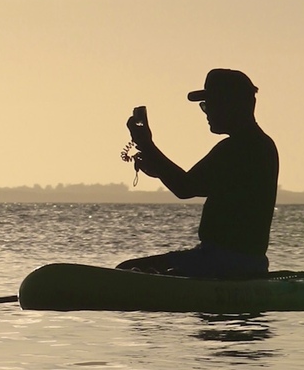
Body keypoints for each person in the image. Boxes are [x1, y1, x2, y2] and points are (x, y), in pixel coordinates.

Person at [117, 68, 279, 278]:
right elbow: (194, 184)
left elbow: (185, 188)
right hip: (239, 262)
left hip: (222, 262)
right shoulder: (259, 145)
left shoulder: (238, 147)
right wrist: (157, 167)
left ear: (232, 105)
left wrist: (147, 144)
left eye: (209, 105)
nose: (207, 113)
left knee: (127, 271)